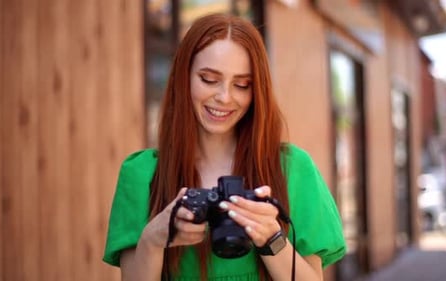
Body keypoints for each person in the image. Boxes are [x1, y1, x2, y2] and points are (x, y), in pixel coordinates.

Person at [103, 13, 346, 281]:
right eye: (208, 79)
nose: (224, 97)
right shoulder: (141, 174)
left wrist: (272, 238)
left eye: (242, 85)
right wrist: (153, 238)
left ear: (257, 92)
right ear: (184, 78)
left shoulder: (293, 169)